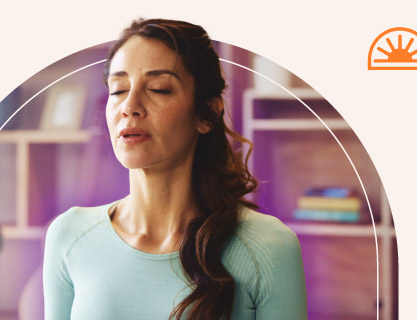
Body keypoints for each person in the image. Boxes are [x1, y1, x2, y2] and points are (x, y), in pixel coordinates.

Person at [43, 18, 307, 320]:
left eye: (158, 89)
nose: (130, 105)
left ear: (207, 114)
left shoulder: (268, 248)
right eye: (118, 90)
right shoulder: (69, 236)